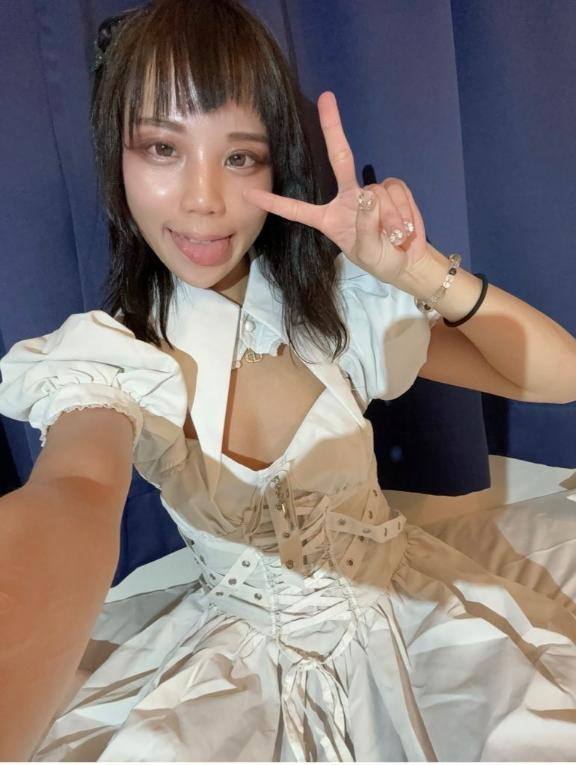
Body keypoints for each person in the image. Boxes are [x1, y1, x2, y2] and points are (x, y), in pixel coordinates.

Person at [1, 0, 576, 760]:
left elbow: (559, 377)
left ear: (277, 164)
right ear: (118, 160)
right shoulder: (116, 358)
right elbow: (73, 492)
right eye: (163, 148)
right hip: (237, 680)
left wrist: (417, 270)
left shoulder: (335, 310)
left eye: (239, 157)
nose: (204, 199)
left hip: (425, 631)